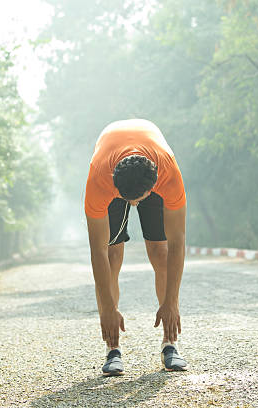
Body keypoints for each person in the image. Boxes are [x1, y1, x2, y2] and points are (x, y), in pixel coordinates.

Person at [84, 118, 188, 376]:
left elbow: (177, 242)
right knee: (112, 254)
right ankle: (112, 350)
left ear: (153, 188)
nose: (131, 206)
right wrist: (108, 308)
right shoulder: (100, 179)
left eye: (136, 200)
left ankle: (170, 344)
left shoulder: (169, 176)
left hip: (152, 167)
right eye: (125, 199)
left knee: (160, 252)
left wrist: (171, 302)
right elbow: (97, 252)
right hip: (112, 167)